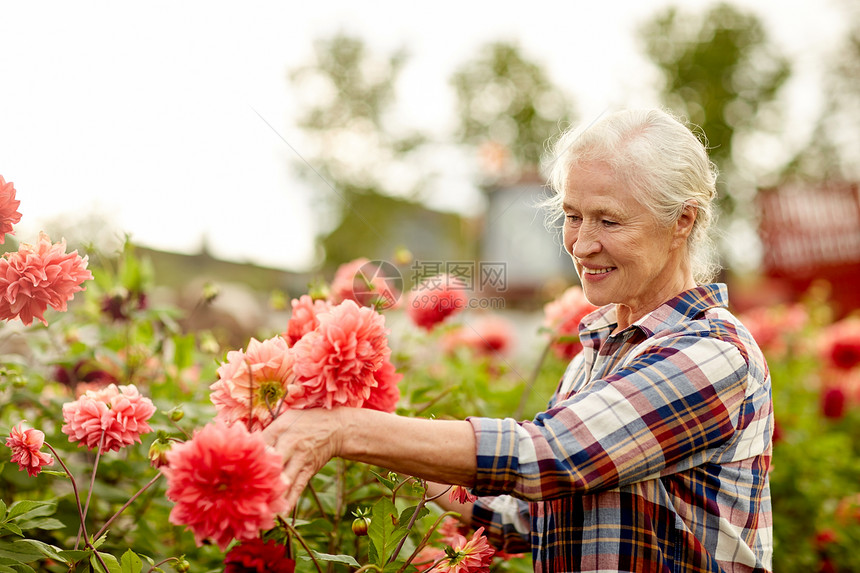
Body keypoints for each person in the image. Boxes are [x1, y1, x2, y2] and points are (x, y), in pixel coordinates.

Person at [262, 108, 773, 573]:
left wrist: (348, 428)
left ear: (681, 220)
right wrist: (384, 444)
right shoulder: (601, 353)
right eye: (573, 215)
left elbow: (552, 456)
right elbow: (527, 519)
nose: (582, 243)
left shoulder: (710, 352)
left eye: (609, 220)